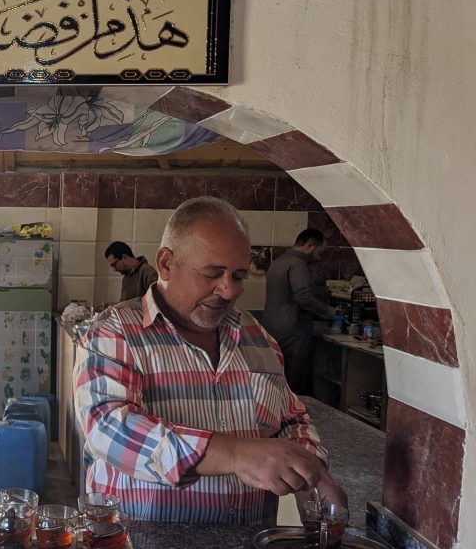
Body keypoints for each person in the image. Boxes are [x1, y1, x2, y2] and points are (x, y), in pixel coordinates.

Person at [74, 197, 346, 524]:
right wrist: (235, 453)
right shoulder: (116, 331)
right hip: (140, 542)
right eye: (212, 274)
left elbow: (291, 416)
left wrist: (312, 471)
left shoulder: (255, 335)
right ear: (166, 264)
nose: (228, 290)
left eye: (239, 276)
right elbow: (108, 428)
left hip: (245, 543)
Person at [261, 228, 337, 393]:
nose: (319, 257)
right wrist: (329, 311)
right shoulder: (298, 264)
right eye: (319, 252)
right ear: (311, 245)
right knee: (294, 378)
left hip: (271, 328)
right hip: (292, 331)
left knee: (275, 377)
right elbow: (303, 297)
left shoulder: (279, 262)